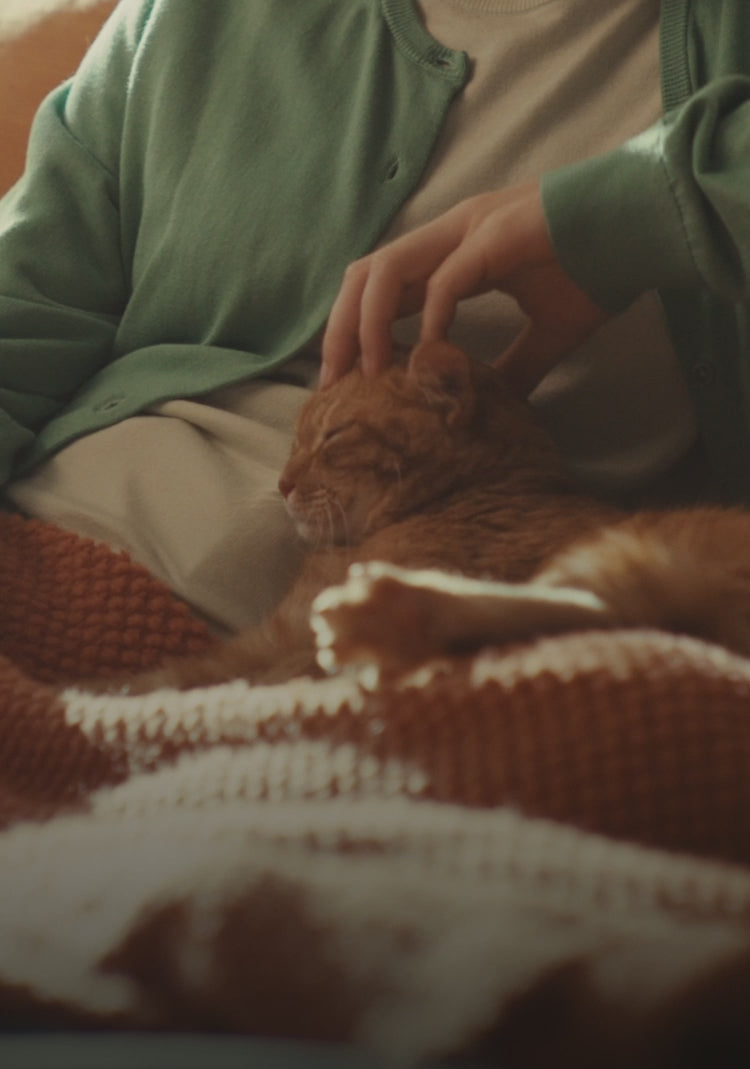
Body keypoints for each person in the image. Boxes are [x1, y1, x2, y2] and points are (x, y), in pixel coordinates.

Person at [1, 0, 749, 637]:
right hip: (38, 550)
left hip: (390, 655)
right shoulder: (196, 19)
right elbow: (24, 300)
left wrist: (646, 203)